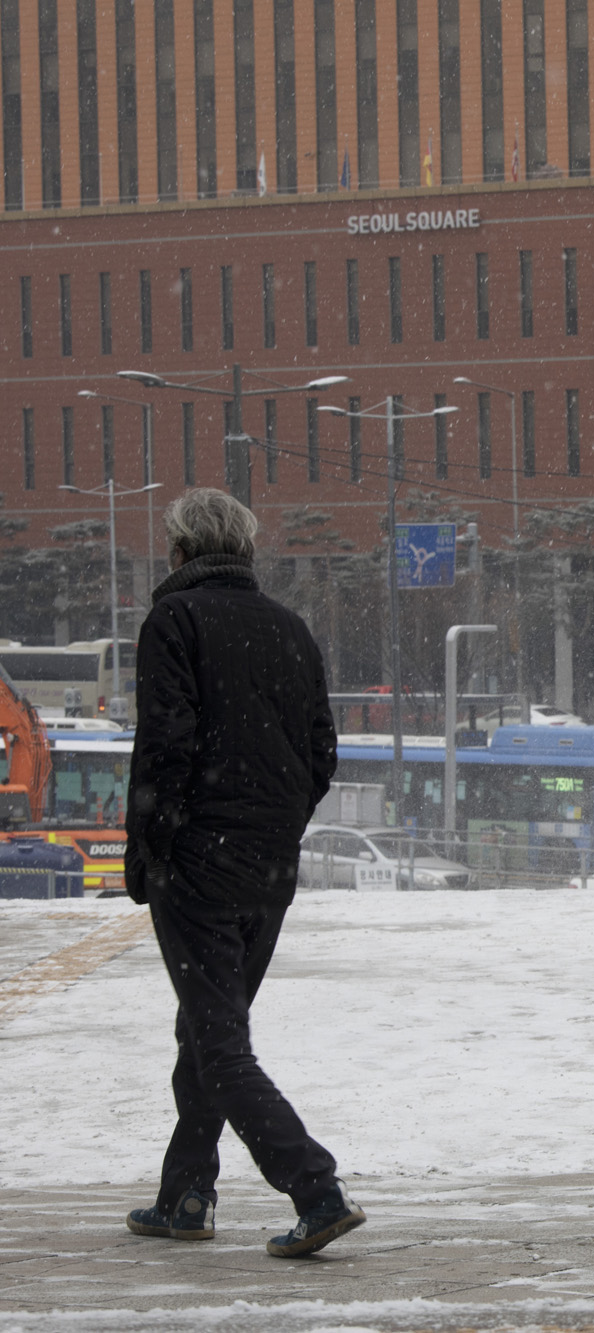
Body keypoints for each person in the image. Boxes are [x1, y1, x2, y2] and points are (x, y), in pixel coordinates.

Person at [122, 488, 364, 1259]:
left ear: (183, 553)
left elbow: (165, 742)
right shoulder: (290, 629)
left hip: (197, 861)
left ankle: (314, 1186)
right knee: (207, 1028)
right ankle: (185, 1193)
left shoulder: (175, 621)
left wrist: (153, 843)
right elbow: (323, 750)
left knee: (220, 1042)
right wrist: (277, 821)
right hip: (269, 867)